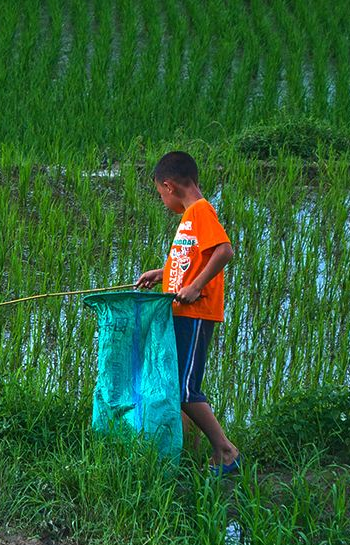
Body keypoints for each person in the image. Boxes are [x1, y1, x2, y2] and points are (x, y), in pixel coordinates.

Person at [136, 151, 241, 475]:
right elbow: (189, 259)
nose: (162, 199)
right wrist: (162, 272)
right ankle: (188, 452)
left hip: (196, 313)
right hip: (182, 314)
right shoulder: (191, 218)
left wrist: (195, 287)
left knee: (184, 388)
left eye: (159, 193)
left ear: (168, 186)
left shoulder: (200, 211)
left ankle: (226, 451)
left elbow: (224, 251)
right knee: (177, 385)